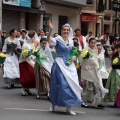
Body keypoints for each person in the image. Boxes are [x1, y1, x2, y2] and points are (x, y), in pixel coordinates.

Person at [47, 20, 83, 116]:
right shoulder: (58, 39)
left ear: (69, 31)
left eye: (67, 30)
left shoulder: (72, 41)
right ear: (61, 30)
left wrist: (74, 56)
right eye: (64, 30)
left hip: (69, 65)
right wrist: (50, 30)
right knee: (57, 85)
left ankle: (69, 107)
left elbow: (75, 52)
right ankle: (53, 104)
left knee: (70, 85)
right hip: (59, 64)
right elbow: (48, 40)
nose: (65, 31)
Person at [81, 37, 108, 108]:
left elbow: (97, 60)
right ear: (89, 43)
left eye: (94, 43)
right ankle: (85, 102)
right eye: (91, 43)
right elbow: (84, 61)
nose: (93, 44)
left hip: (95, 71)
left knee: (98, 85)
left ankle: (98, 102)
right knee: (88, 87)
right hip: (88, 71)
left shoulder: (95, 50)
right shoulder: (86, 50)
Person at [19, 30, 38, 96]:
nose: (35, 39)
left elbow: (33, 53)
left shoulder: (33, 44)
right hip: (24, 62)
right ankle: (23, 89)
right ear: (31, 37)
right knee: (26, 76)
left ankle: (27, 88)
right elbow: (23, 54)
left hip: (30, 61)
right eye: (34, 37)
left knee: (33, 75)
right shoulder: (25, 44)